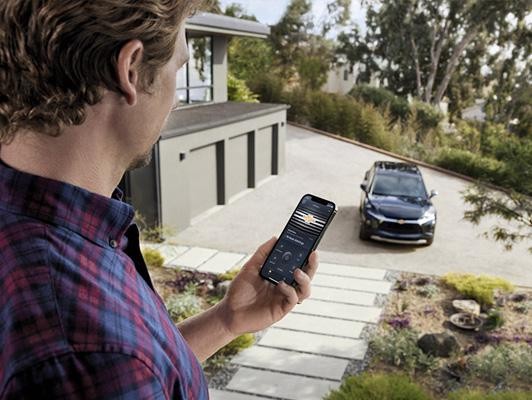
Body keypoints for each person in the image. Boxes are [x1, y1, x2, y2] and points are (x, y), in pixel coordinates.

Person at [0, 1, 318, 398]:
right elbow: (114, 363)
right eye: (179, 67)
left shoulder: (45, 225)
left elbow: (143, 368)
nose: (178, 98)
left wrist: (226, 320)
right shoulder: (89, 353)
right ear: (130, 69)